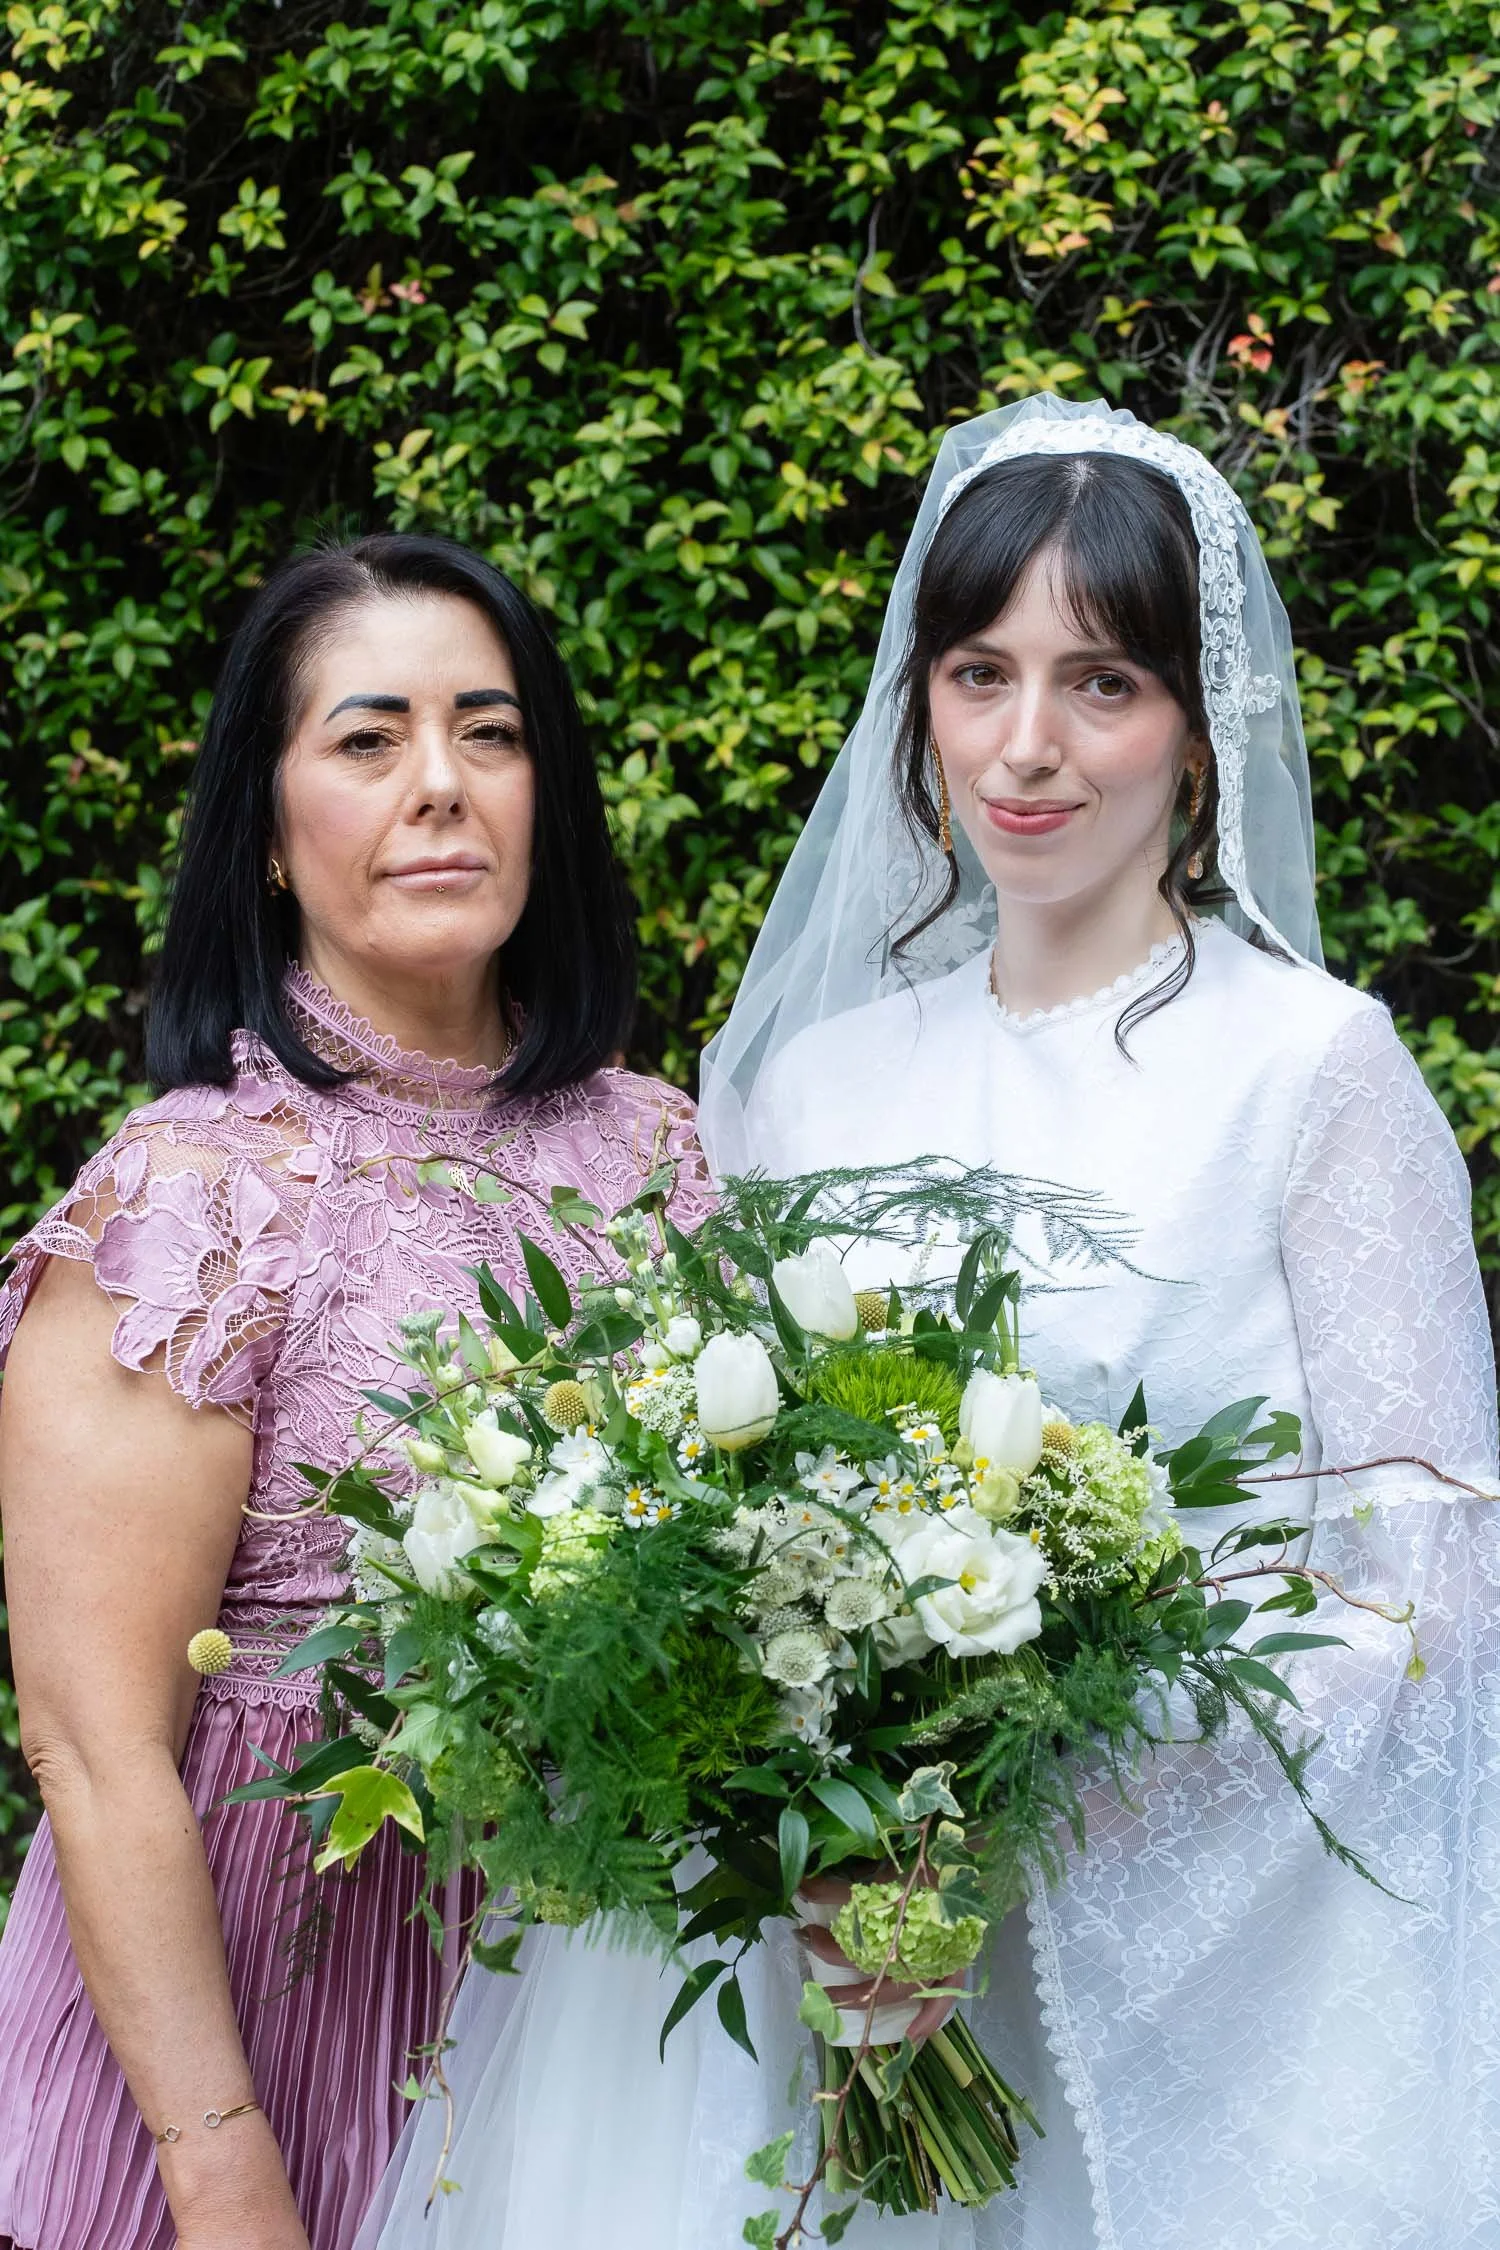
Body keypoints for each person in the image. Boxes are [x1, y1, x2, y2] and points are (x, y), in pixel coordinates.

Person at [362, 399, 1497, 2250]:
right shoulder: (812, 1085)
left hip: (1206, 1979)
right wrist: (809, 1798)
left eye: (1103, 682)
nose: (1027, 746)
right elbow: (712, 1494)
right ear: (924, 700)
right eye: (980, 674)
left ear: (1200, 725)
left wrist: (1025, 1795)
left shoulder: (1314, 1070)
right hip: (843, 1974)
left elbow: (1423, 1596)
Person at [0, 530, 709, 2250]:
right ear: (265, 827)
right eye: (369, 737)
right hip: (263, 2020)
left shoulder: (664, 1153)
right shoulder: (190, 1203)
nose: (440, 784)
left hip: (592, 2036)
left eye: (490, 731)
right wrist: (221, 2164)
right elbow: (96, 1747)